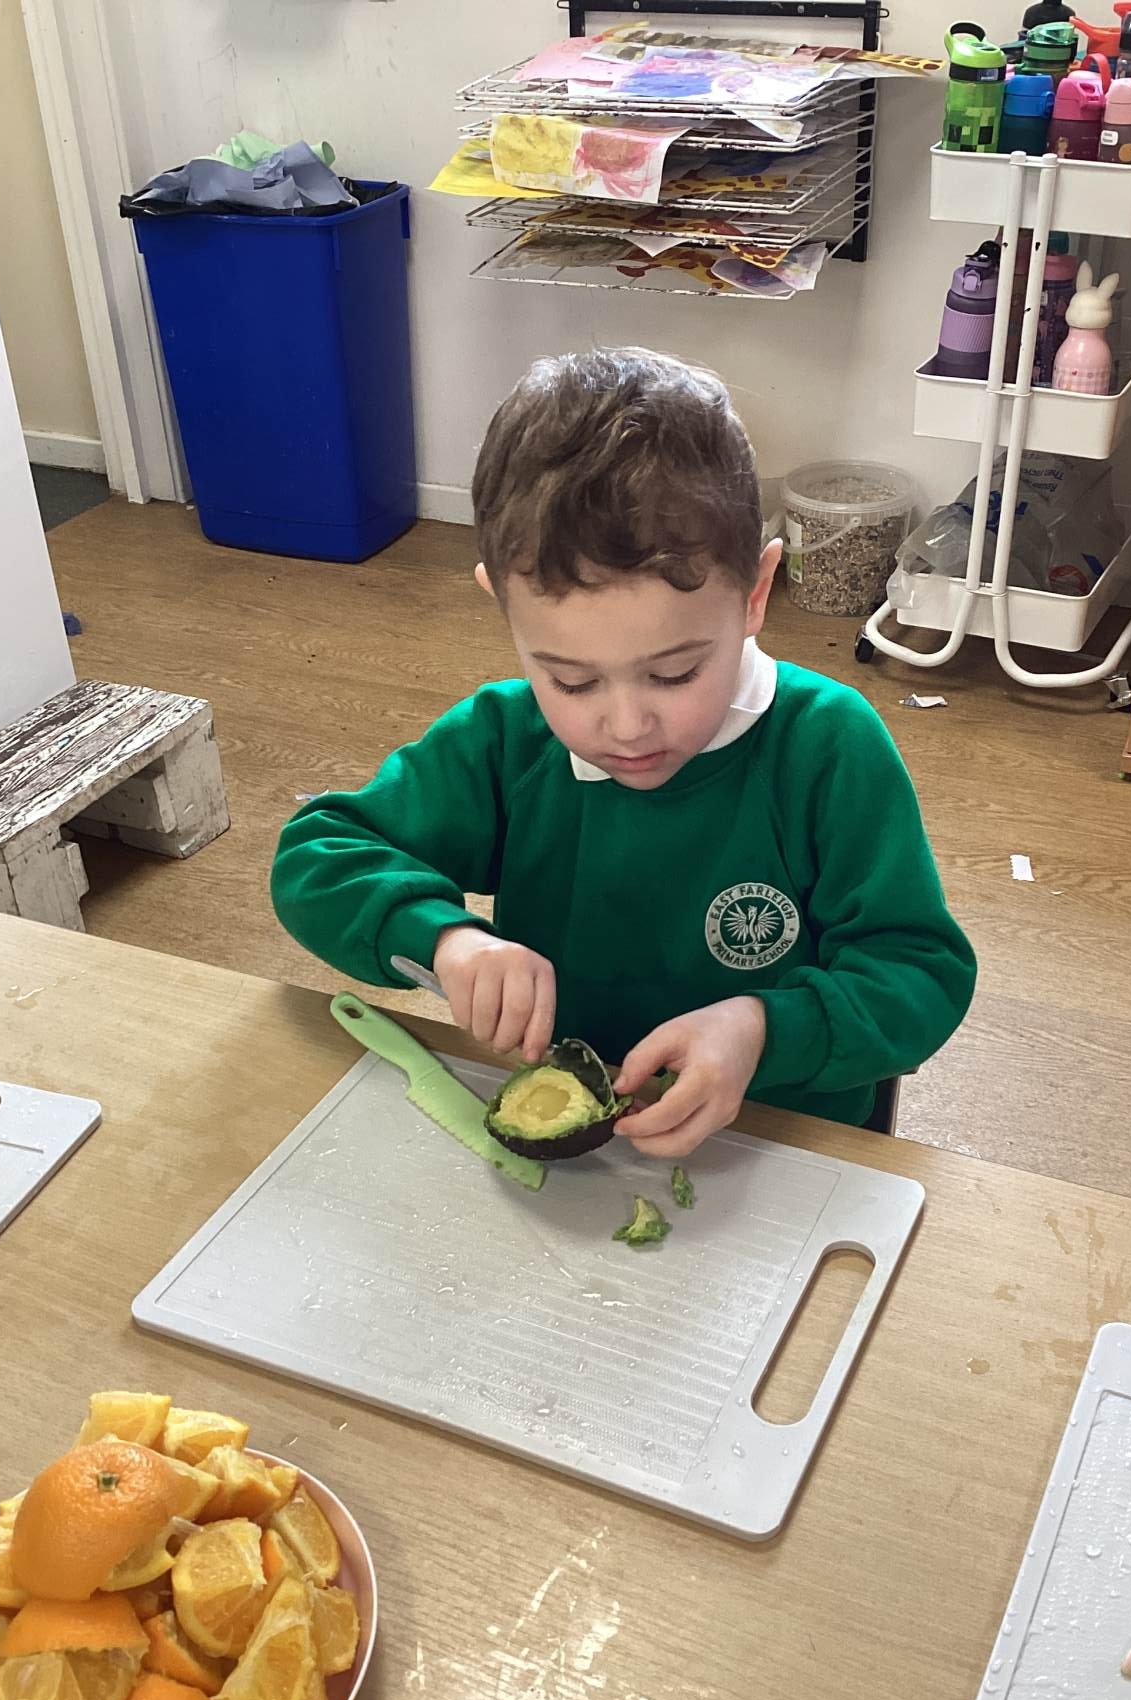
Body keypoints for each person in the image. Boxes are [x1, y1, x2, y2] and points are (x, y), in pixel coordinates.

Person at [272, 348, 975, 1158]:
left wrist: (764, 1028)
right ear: (503, 611)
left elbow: (920, 972)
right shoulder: (506, 740)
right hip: (588, 1150)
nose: (628, 726)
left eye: (674, 673)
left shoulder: (827, 746)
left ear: (755, 595)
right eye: (571, 681)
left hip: (785, 1140)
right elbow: (316, 856)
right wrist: (445, 938)